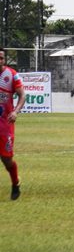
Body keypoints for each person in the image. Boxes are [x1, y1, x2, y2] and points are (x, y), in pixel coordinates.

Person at [0, 49, 26, 199]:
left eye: (1, 58)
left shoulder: (11, 75)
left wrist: (16, 111)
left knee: (6, 159)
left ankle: (15, 183)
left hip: (5, 124)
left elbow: (22, 94)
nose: (0, 60)